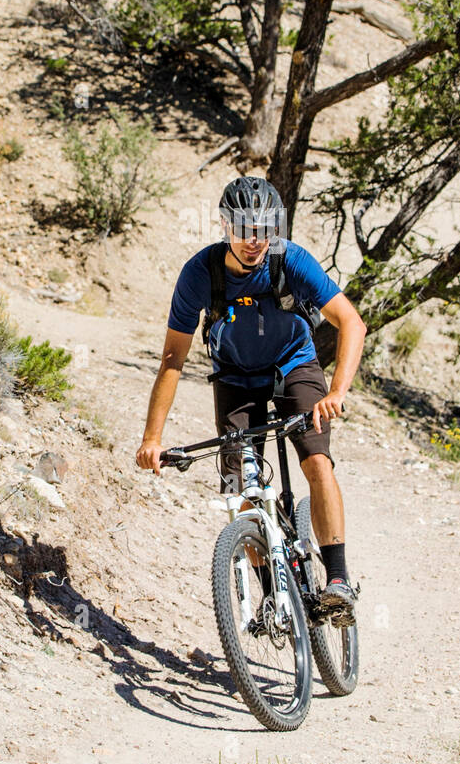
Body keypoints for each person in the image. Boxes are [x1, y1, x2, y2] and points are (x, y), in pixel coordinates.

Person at [136, 175, 366, 622]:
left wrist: (336, 391)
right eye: (245, 229)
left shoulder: (290, 260)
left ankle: (337, 582)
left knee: (316, 461)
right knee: (240, 486)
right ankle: (269, 595)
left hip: (292, 365)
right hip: (236, 376)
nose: (255, 241)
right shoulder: (199, 275)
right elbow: (172, 359)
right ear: (225, 225)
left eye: (264, 229)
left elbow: (351, 322)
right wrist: (152, 438)